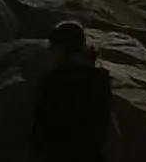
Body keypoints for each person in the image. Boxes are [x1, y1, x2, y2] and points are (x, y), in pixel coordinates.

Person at [33, 21, 113, 162]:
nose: (51, 52)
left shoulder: (54, 83)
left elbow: (43, 131)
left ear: (64, 49)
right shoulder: (99, 79)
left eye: (54, 47)